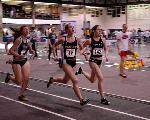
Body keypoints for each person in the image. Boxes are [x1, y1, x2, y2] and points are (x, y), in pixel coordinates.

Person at [47, 23, 90, 106]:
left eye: (73, 27)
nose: (72, 28)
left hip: (73, 62)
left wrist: (84, 54)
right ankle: (81, 100)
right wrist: (55, 55)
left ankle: (52, 80)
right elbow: (54, 45)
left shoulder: (77, 39)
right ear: (66, 30)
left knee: (65, 81)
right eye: (70, 27)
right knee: (75, 80)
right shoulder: (63, 39)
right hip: (65, 63)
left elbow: (82, 48)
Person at [75, 25, 110, 105]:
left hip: (99, 61)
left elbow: (106, 49)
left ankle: (82, 71)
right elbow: (82, 47)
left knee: (92, 80)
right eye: (98, 30)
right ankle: (102, 98)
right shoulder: (90, 40)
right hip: (92, 61)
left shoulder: (103, 40)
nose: (100, 31)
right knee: (101, 78)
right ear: (94, 31)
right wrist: (82, 52)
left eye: (101, 30)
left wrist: (106, 55)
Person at [5, 25, 34, 101]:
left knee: (26, 77)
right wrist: (18, 55)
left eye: (28, 29)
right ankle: (10, 77)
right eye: (25, 29)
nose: (27, 31)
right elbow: (11, 50)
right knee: (18, 81)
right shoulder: (18, 39)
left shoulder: (28, 41)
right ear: (21, 31)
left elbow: (30, 50)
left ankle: (21, 94)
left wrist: (32, 51)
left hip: (24, 60)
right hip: (17, 61)